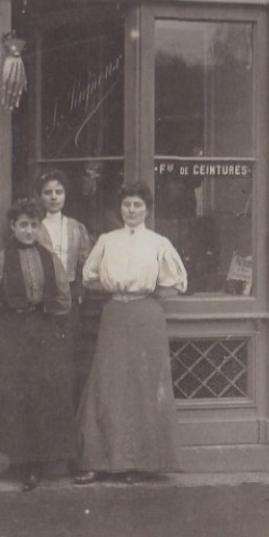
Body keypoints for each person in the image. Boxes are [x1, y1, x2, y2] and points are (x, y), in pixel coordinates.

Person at [73, 181, 188, 484]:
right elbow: (89, 277)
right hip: (114, 314)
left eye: (138, 205)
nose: (132, 210)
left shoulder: (158, 242)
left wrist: (143, 292)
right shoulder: (108, 240)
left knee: (143, 384)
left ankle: (139, 463)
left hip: (146, 316)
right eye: (127, 205)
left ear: (147, 210)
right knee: (108, 384)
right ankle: (102, 461)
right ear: (120, 209)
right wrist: (116, 289)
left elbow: (175, 283)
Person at [0, 198, 77, 491]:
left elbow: (63, 300)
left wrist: (47, 315)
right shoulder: (1, 259)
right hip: (13, 331)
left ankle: (40, 462)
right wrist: (6, 310)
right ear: (12, 227)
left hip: (42, 331)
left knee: (44, 394)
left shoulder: (50, 258)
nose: (29, 231)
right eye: (23, 225)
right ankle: (18, 461)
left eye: (33, 225)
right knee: (14, 395)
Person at [35, 169, 92, 405]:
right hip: (42, 300)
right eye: (48, 192)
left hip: (70, 300)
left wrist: (80, 292)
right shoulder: (34, 228)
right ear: (40, 197)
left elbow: (86, 265)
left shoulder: (76, 227)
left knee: (68, 357)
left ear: (66, 195)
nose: (54, 197)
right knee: (45, 359)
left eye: (59, 192)